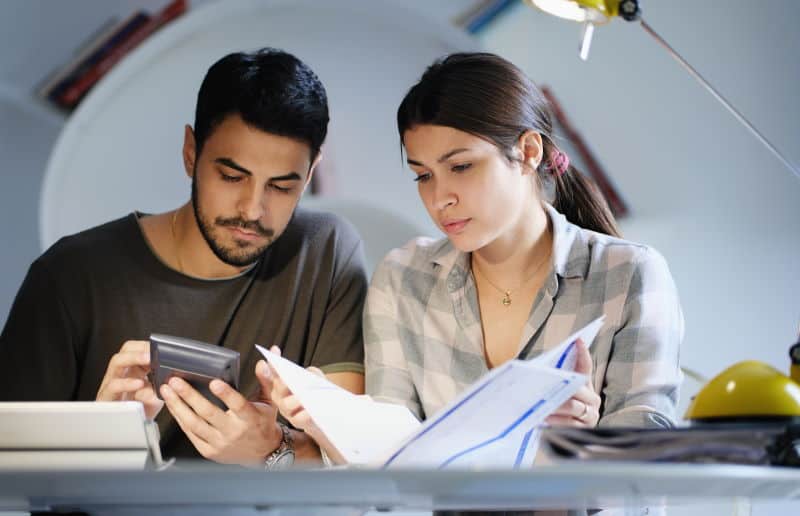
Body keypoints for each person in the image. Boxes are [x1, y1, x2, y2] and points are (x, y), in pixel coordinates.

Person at [268, 52, 683, 472]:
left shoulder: (629, 275)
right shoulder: (403, 278)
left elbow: (646, 471)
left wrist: (585, 442)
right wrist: (335, 420)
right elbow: (390, 464)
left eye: (461, 167)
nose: (439, 198)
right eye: (423, 175)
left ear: (527, 151)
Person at [0, 48, 367, 467]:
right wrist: (101, 438)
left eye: (282, 187)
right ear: (191, 152)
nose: (252, 210)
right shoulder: (68, 277)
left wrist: (273, 448)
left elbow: (348, 462)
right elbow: (11, 481)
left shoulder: (327, 252)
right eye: (231, 177)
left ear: (312, 169)